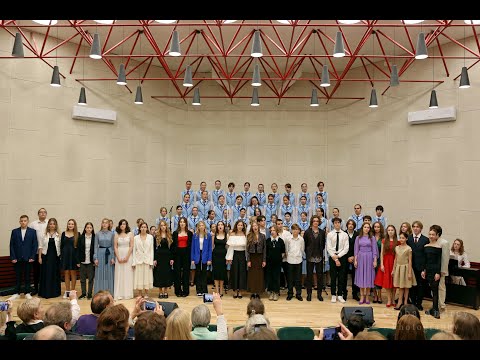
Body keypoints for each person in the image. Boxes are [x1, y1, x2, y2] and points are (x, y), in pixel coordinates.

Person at [9, 214, 38, 301]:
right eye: (21, 221)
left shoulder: (32, 231)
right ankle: (16, 293)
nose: (23, 222)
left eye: (25, 221)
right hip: (17, 258)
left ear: (27, 221)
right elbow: (12, 245)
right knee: (18, 276)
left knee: (27, 276)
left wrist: (32, 256)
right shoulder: (15, 231)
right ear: (19, 222)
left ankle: (27, 292)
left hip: (28, 258)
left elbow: (34, 245)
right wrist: (13, 257)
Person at [421, 225, 443, 319]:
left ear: (437, 235)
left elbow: (439, 261)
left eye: (433, 234)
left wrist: (438, 272)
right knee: (429, 290)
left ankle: (436, 310)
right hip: (427, 270)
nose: (431, 236)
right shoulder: (426, 246)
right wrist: (423, 270)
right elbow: (424, 260)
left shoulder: (439, 247)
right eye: (429, 234)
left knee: (435, 291)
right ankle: (432, 309)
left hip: (435, 271)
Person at [407, 220, 429, 311]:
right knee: (412, 286)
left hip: (421, 267)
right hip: (411, 267)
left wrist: (425, 269)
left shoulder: (425, 239)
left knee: (420, 286)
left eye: (417, 227)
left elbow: (427, 255)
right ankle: (412, 303)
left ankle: (419, 303)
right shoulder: (409, 238)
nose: (415, 228)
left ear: (421, 228)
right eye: (414, 227)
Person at [326, 217, 349, 303]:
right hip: (332, 257)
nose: (337, 224)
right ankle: (333, 295)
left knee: (341, 277)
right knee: (333, 277)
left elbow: (346, 248)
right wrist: (335, 259)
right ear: (333, 224)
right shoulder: (330, 234)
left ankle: (339, 295)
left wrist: (338, 256)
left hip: (342, 257)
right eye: (335, 223)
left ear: (340, 223)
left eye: (338, 222)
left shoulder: (344, 234)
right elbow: (329, 247)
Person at [354, 222, 378, 305]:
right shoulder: (358, 238)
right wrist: (356, 260)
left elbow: (374, 250)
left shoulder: (372, 238)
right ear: (362, 228)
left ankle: (367, 297)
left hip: (369, 258)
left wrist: (375, 260)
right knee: (361, 277)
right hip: (361, 258)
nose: (366, 229)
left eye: (368, 227)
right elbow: (356, 250)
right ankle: (362, 296)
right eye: (365, 227)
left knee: (368, 277)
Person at [303, 215, 326, 302]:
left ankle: (319, 294)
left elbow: (323, 245)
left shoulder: (322, 232)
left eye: (317, 221)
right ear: (312, 222)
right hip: (310, 257)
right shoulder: (307, 232)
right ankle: (309, 294)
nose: (316, 222)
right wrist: (308, 253)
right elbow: (305, 244)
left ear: (319, 222)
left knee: (320, 276)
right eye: (314, 221)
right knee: (309, 276)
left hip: (319, 257)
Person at [38, 218, 61, 299]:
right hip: (46, 257)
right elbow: (40, 246)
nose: (52, 225)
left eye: (53, 224)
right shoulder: (44, 235)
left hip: (55, 258)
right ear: (48, 225)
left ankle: (54, 293)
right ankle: (45, 293)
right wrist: (40, 257)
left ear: (56, 225)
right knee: (46, 274)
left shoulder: (59, 235)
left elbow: (60, 247)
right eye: (50, 224)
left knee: (54, 274)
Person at [392, 232, 416, 310]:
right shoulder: (397, 247)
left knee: (406, 286)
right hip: (399, 268)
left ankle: (405, 302)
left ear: (406, 239)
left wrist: (409, 273)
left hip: (406, 268)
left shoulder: (409, 248)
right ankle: (399, 302)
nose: (401, 239)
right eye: (400, 238)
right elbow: (395, 259)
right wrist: (393, 269)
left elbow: (410, 261)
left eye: (403, 238)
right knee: (400, 286)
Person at [375, 225, 397, 307]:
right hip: (386, 262)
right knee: (387, 281)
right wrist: (381, 264)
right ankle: (389, 299)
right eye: (389, 230)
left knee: (394, 282)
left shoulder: (397, 242)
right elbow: (381, 253)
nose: (390, 231)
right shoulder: (384, 241)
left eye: (392, 230)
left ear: (394, 231)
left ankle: (394, 299)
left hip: (394, 262)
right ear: (387, 232)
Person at [28, 208, 48, 296]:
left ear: (46, 214)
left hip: (46, 252)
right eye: (41, 212)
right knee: (36, 272)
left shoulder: (49, 223)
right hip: (36, 252)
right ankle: (36, 289)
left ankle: (44, 289)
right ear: (38, 214)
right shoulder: (33, 224)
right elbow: (30, 237)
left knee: (46, 272)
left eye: (44, 212)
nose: (42, 213)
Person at [93, 218, 115, 295]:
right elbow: (95, 246)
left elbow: (113, 246)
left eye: (106, 223)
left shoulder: (112, 234)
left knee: (109, 274)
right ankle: (99, 292)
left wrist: (113, 257)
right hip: (100, 254)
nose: (105, 224)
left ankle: (109, 292)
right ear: (101, 224)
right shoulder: (97, 234)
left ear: (109, 224)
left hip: (109, 254)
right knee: (100, 274)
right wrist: (95, 258)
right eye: (103, 222)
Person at [113, 219, 134, 300]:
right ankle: (119, 293)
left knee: (127, 274)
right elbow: (115, 246)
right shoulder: (116, 234)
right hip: (119, 255)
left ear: (126, 225)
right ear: (119, 225)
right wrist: (118, 257)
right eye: (121, 224)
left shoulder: (130, 234)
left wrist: (127, 257)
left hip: (128, 255)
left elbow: (131, 246)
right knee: (119, 274)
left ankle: (127, 293)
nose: (122, 225)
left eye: (124, 224)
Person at [226, 220, 248, 299]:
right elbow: (230, 247)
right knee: (234, 272)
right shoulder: (232, 234)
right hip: (235, 255)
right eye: (238, 225)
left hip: (242, 255)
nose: (240, 226)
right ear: (236, 226)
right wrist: (229, 257)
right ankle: (235, 291)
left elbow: (246, 247)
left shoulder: (245, 235)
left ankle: (241, 291)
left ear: (243, 226)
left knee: (242, 273)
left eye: (241, 225)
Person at [172, 217, 193, 297]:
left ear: (186, 224)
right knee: (177, 272)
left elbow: (190, 245)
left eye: (183, 222)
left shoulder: (189, 233)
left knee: (186, 272)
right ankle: (177, 291)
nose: (182, 223)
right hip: (177, 254)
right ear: (179, 223)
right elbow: (173, 246)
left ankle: (186, 291)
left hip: (186, 254)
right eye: (181, 222)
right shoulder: (175, 233)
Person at [191, 221, 213, 296]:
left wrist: (209, 259)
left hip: (205, 255)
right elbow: (193, 248)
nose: (201, 227)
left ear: (204, 227)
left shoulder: (208, 236)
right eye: (199, 225)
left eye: (202, 225)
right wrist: (192, 259)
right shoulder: (195, 236)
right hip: (197, 255)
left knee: (204, 273)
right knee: (198, 272)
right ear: (198, 227)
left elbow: (210, 248)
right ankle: (198, 290)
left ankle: (204, 289)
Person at [133, 222, 154, 297]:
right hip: (139, 260)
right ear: (139, 228)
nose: (143, 228)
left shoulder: (150, 237)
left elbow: (151, 250)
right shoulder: (136, 238)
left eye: (145, 227)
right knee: (139, 277)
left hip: (147, 259)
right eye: (142, 227)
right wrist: (134, 262)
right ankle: (139, 293)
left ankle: (146, 293)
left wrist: (151, 261)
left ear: (147, 228)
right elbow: (134, 250)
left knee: (147, 277)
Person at [154, 220, 174, 299]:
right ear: (159, 227)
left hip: (167, 257)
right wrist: (155, 259)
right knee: (159, 274)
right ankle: (160, 291)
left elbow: (172, 248)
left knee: (166, 274)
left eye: (164, 225)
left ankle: (165, 291)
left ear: (166, 226)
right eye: (161, 225)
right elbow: (154, 249)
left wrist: (172, 258)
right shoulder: (156, 236)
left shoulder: (169, 235)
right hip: (159, 257)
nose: (163, 227)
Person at [246, 221, 267, 298]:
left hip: (260, 257)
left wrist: (264, 260)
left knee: (259, 275)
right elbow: (247, 249)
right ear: (252, 227)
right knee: (252, 276)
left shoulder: (263, 236)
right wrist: (248, 260)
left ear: (258, 227)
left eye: (256, 226)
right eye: (253, 226)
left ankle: (258, 292)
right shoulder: (249, 236)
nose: (255, 227)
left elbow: (264, 249)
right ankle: (252, 292)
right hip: (252, 257)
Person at [61, 219, 81, 297]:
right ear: (67, 225)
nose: (70, 225)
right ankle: (67, 291)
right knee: (66, 273)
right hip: (65, 256)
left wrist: (78, 260)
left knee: (73, 273)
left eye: (72, 224)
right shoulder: (63, 233)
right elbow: (61, 246)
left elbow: (79, 248)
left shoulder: (78, 234)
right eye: (69, 224)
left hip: (74, 256)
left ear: (74, 225)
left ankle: (73, 291)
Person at [265, 225, 285, 301]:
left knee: (276, 277)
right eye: (271, 230)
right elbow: (265, 251)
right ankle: (270, 292)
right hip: (269, 262)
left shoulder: (280, 241)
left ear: (277, 231)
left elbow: (283, 252)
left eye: (274, 230)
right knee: (270, 277)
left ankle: (276, 292)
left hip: (277, 263)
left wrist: (279, 259)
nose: (272, 232)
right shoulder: (268, 240)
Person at [286, 224, 305, 301]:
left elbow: (302, 249)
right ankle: (290, 293)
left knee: (298, 279)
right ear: (291, 230)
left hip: (298, 260)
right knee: (290, 279)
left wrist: (298, 255)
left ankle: (298, 294)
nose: (295, 231)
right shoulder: (288, 239)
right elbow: (286, 249)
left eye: (297, 229)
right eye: (294, 229)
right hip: (290, 260)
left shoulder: (301, 239)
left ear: (299, 230)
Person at [76, 222, 95, 300]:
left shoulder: (94, 237)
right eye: (87, 227)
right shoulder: (81, 237)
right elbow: (77, 250)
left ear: (92, 229)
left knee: (91, 278)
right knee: (82, 279)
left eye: (90, 227)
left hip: (91, 262)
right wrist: (78, 261)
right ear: (85, 228)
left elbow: (95, 250)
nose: (89, 229)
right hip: (82, 261)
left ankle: (89, 294)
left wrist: (94, 260)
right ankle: (83, 293)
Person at [433, 225, 450, 312]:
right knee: (433, 287)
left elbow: (445, 258)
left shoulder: (444, 242)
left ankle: (442, 305)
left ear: (438, 233)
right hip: (432, 269)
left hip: (441, 270)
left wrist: (443, 271)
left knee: (441, 287)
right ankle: (435, 305)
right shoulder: (431, 241)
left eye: (433, 232)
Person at [212, 221, 228, 296]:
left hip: (223, 256)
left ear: (224, 226)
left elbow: (227, 247)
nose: (220, 226)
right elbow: (212, 246)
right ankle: (217, 291)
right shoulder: (214, 235)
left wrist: (228, 257)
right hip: (215, 255)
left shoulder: (226, 235)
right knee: (216, 273)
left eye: (221, 225)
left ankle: (221, 290)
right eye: (219, 225)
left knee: (222, 273)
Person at [345, 219, 359, 301]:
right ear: (347, 225)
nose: (350, 225)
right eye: (349, 224)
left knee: (355, 276)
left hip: (355, 258)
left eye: (352, 224)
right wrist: (347, 257)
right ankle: (344, 293)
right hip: (345, 257)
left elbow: (358, 247)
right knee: (344, 276)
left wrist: (354, 256)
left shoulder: (357, 235)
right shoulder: (343, 233)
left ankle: (355, 294)